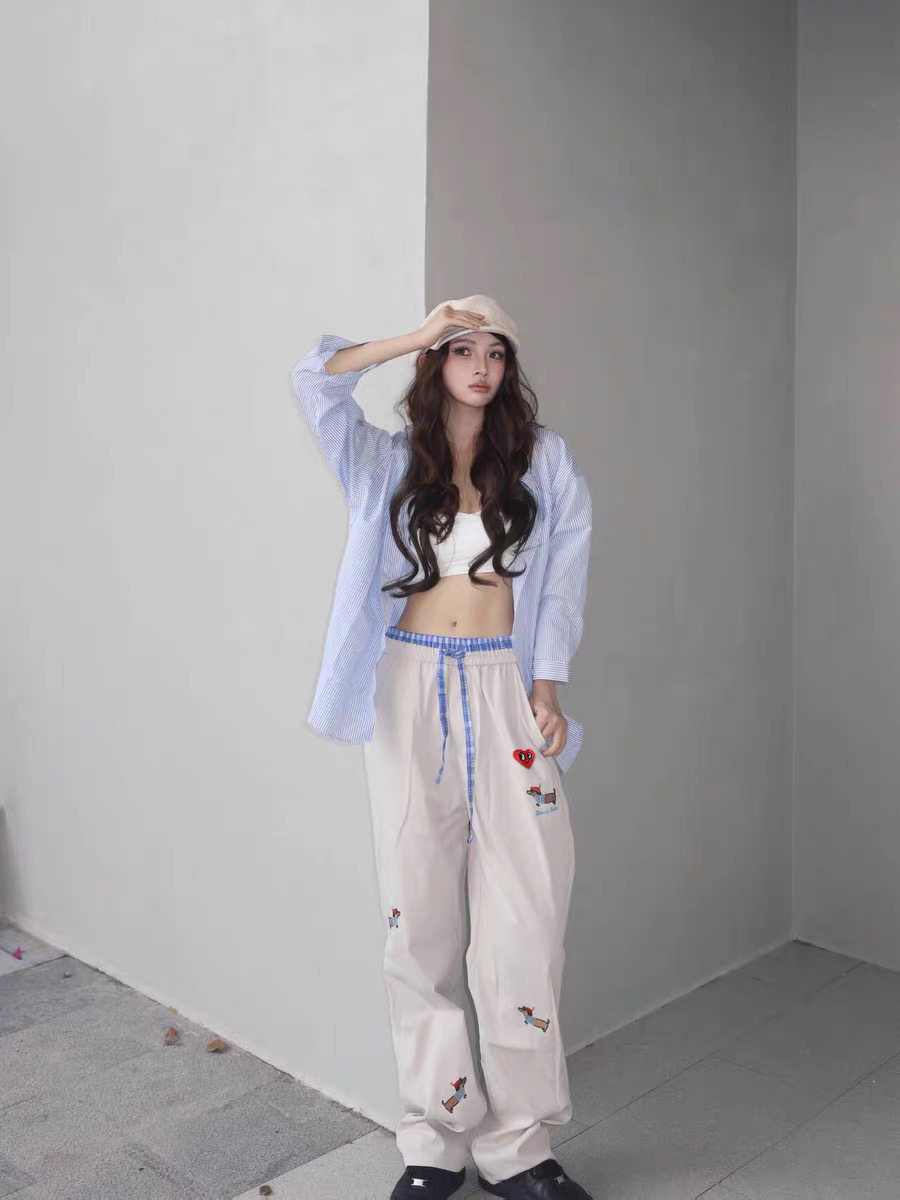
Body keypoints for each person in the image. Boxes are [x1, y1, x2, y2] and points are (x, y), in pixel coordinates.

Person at [291, 295, 593, 1200]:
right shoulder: (385, 461)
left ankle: (521, 1147)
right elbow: (313, 381)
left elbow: (564, 578)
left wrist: (547, 685)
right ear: (437, 363)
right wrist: (417, 333)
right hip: (407, 691)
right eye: (462, 349)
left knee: (527, 921)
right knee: (415, 922)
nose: (481, 365)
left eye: (495, 351)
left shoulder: (545, 462)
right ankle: (435, 1141)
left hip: (505, 691)